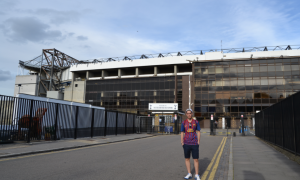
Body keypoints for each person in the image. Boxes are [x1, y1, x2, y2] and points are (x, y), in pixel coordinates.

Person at [181, 109, 201, 180]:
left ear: (192, 113)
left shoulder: (196, 122)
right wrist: (182, 142)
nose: (189, 114)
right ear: (186, 114)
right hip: (186, 143)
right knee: (187, 159)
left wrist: (198, 141)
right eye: (188, 113)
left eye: (190, 113)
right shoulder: (183, 122)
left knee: (195, 159)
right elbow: (182, 132)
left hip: (194, 143)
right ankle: (189, 173)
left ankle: (196, 174)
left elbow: (198, 131)